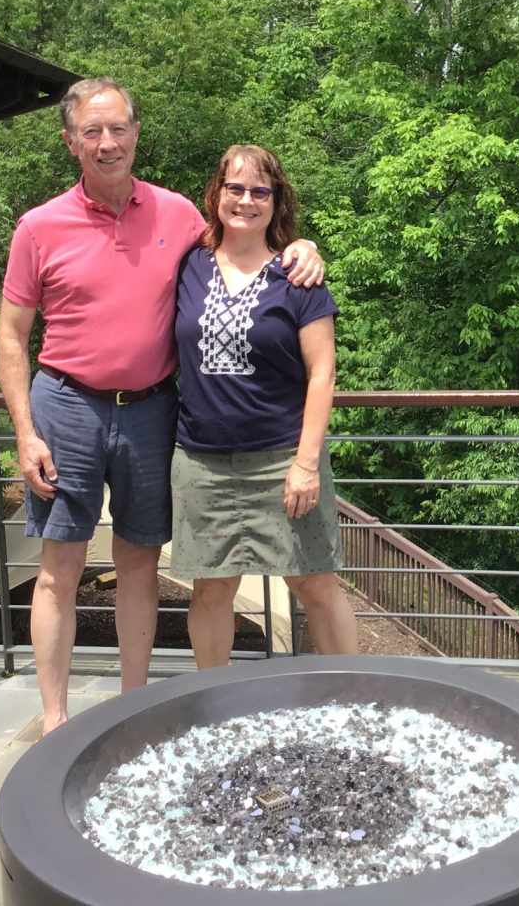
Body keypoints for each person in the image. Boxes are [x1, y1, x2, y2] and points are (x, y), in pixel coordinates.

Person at [0, 79, 323, 735]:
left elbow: (244, 240)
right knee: (60, 566)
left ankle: (133, 707)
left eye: (118, 128)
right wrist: (25, 432)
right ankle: (56, 719)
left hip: (151, 409)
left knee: (140, 561)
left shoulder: (175, 214)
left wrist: (302, 247)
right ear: (70, 142)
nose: (107, 142)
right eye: (92, 131)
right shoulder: (39, 227)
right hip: (66, 406)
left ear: (137, 132)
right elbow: (9, 333)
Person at [171, 145, 357, 666]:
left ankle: (355, 693)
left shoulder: (298, 277)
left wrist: (305, 464)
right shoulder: (187, 265)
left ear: (277, 202)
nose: (246, 200)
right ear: (216, 194)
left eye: (260, 191)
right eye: (235, 188)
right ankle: (216, 701)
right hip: (202, 461)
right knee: (211, 590)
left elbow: (323, 373)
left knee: (314, 582)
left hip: (282, 459)